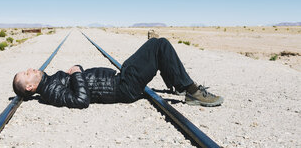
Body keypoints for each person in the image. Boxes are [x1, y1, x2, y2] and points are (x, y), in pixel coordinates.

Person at [13, 38, 223, 109]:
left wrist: (76, 69)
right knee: (159, 46)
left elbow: (78, 78)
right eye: (26, 74)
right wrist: (77, 72)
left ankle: (179, 85)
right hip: (122, 88)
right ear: (30, 87)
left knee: (154, 45)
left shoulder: (50, 82)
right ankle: (191, 91)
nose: (30, 69)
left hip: (118, 80)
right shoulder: (50, 93)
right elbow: (81, 100)